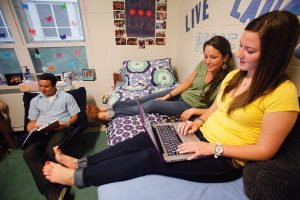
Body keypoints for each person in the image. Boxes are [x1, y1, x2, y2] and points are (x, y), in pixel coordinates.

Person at [42, 11, 299, 188]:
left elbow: (266, 150)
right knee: (145, 137)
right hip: (198, 137)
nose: (240, 54)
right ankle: (83, 161)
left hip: (224, 158)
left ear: (273, 55)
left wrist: (213, 148)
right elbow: (216, 108)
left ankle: (78, 177)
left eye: (250, 50)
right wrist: (197, 124)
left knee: (147, 159)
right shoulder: (234, 75)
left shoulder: (282, 94)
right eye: (241, 45)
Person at [87, 35, 235, 122]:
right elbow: (187, 83)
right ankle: (111, 106)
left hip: (188, 106)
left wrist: (194, 111)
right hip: (179, 94)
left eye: (213, 57)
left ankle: (111, 114)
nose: (208, 61)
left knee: (152, 105)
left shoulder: (229, 80)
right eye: (206, 56)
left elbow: (216, 108)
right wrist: (169, 95)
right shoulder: (203, 65)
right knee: (146, 97)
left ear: (225, 57)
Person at [23, 73, 80, 200]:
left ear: (54, 86)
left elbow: (75, 116)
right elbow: (32, 121)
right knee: (28, 153)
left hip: (60, 129)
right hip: (41, 131)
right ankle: (50, 191)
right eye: (40, 86)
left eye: (46, 86)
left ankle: (60, 184)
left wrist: (66, 125)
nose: (42, 89)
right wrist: (30, 126)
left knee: (51, 151)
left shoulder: (66, 97)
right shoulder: (35, 100)